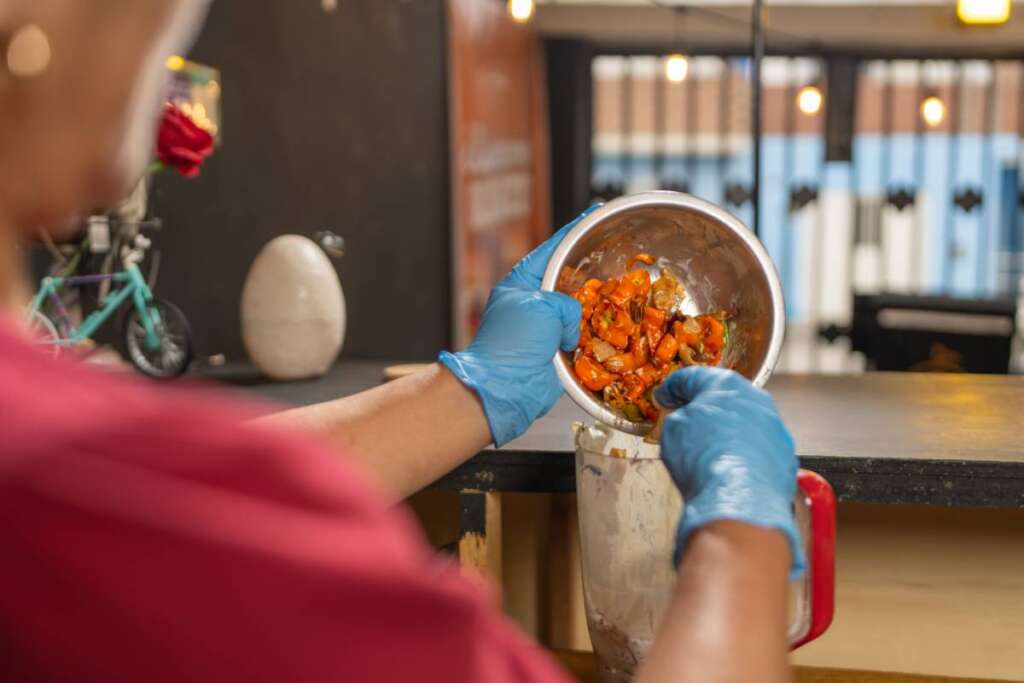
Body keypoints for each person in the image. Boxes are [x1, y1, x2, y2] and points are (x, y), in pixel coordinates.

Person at [0, 2, 802, 682]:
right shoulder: (63, 483)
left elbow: (198, 493)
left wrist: (471, 391)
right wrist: (747, 534)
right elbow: (183, 507)